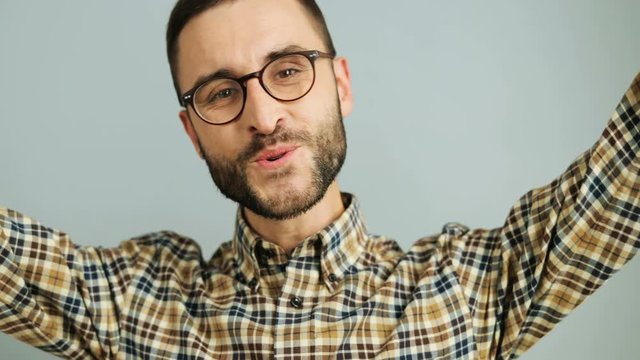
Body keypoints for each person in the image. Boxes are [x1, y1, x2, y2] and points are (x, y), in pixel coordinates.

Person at [0, 0, 638, 358]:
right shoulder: (135, 304)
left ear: (341, 85)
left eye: (287, 71)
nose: (263, 116)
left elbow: (623, 175)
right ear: (193, 132)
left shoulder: (468, 289)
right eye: (222, 92)